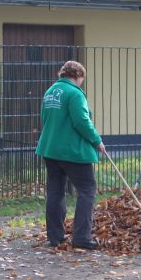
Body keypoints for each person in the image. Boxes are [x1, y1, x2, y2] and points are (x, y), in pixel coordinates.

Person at [36, 60, 106, 250]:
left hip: (50, 149)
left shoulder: (50, 91)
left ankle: (55, 236)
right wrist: (96, 140)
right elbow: (82, 121)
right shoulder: (75, 93)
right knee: (87, 190)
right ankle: (81, 237)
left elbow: (44, 118)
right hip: (72, 151)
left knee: (55, 191)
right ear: (78, 76)